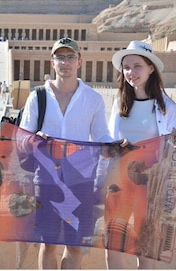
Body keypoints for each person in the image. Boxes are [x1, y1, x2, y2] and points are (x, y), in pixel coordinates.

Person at [19, 37, 113, 269]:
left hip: (80, 181)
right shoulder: (37, 97)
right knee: (48, 243)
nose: (65, 62)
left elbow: (102, 138)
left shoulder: (93, 99)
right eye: (60, 57)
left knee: (75, 244)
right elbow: (21, 137)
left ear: (79, 62)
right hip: (47, 179)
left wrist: (119, 147)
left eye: (70, 57)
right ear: (52, 63)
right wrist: (34, 139)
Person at [106, 40, 176, 269]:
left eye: (137, 66)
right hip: (119, 185)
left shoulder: (168, 108)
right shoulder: (119, 104)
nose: (130, 72)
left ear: (151, 68)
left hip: (151, 190)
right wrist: (114, 147)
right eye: (126, 67)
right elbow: (107, 144)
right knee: (113, 250)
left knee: (145, 251)